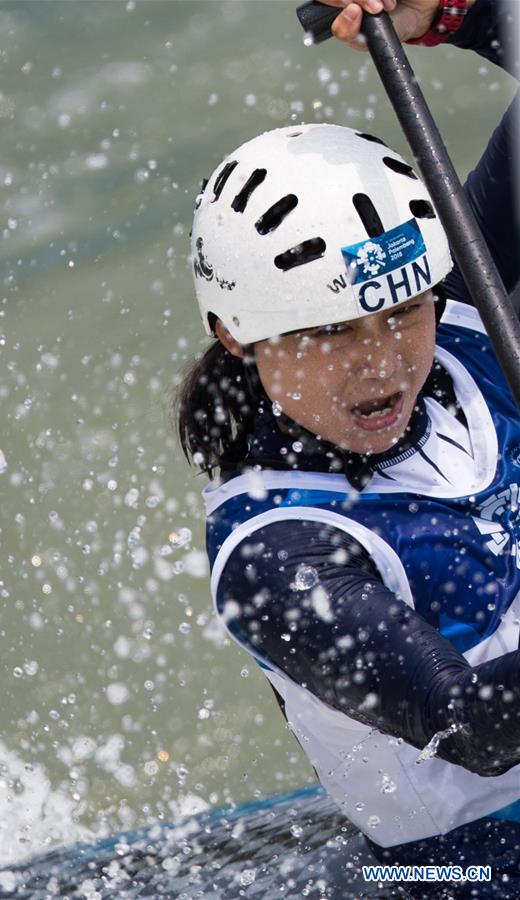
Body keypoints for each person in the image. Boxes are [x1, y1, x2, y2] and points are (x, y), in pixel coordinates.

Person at [176, 0, 519, 895]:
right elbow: (469, 723)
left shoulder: (468, 316)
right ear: (236, 333)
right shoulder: (273, 550)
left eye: (403, 311)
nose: (381, 365)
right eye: (329, 331)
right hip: (470, 870)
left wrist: (460, 15)